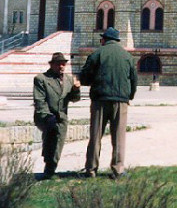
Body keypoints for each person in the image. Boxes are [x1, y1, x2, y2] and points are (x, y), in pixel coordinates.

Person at [79, 27, 137, 179]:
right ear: (117, 41)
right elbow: (134, 80)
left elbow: (84, 77)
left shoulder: (96, 54)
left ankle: (91, 169)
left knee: (95, 135)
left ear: (104, 40)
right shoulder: (127, 56)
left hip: (100, 100)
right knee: (119, 136)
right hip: (121, 100)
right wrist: (129, 96)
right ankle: (118, 169)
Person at [33, 52, 81, 179]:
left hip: (62, 117)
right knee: (51, 140)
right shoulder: (41, 78)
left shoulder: (69, 79)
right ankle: (49, 170)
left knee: (58, 143)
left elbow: (74, 99)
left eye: (63, 64)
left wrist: (76, 90)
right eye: (58, 64)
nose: (61, 66)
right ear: (51, 65)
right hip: (45, 116)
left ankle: (50, 168)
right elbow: (39, 100)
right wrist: (47, 116)